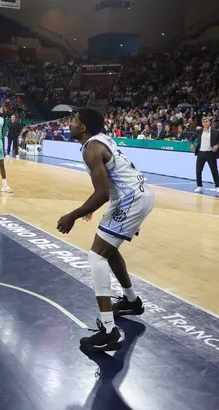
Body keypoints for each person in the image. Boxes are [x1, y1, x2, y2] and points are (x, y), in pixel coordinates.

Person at [56, 107, 152, 353]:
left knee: (96, 255)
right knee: (108, 250)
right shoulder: (99, 141)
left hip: (130, 199)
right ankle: (131, 301)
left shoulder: (91, 148)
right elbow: (107, 186)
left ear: (83, 127)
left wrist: (73, 215)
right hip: (136, 195)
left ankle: (109, 330)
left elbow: (102, 193)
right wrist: (92, 206)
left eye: (74, 120)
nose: (71, 123)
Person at [190, 116, 219, 192]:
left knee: (214, 170)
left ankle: (218, 186)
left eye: (207, 122)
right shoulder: (199, 131)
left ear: (210, 122)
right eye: (204, 122)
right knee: (198, 170)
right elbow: (192, 138)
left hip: (211, 153)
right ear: (202, 123)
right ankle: (199, 186)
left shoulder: (215, 131)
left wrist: (217, 146)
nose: (205, 123)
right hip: (201, 153)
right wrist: (192, 144)